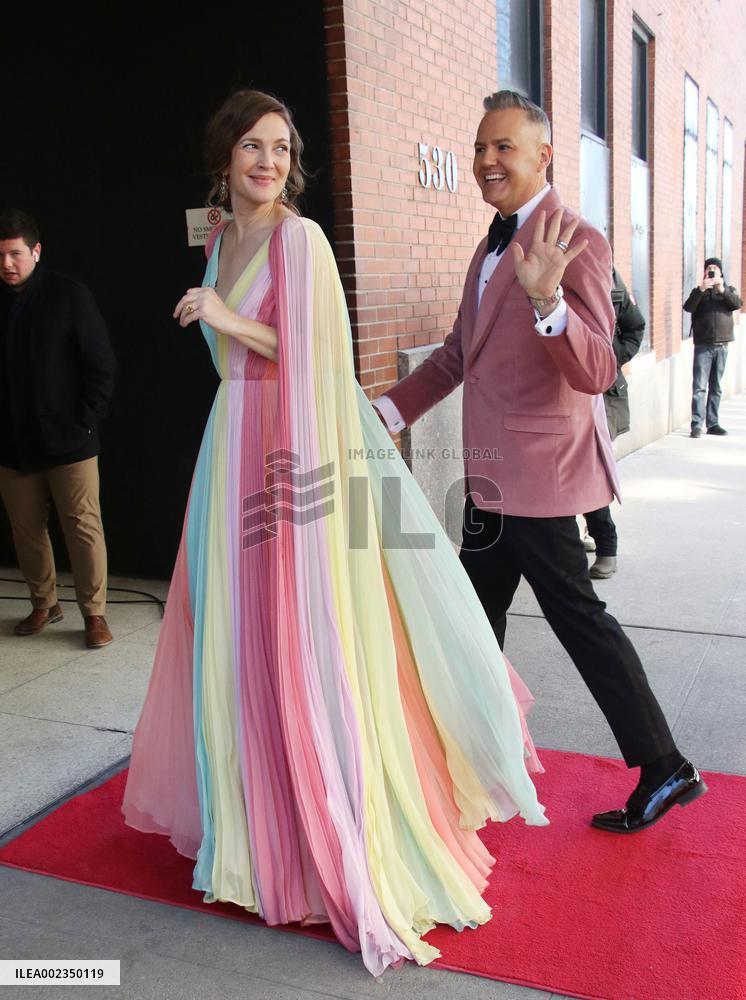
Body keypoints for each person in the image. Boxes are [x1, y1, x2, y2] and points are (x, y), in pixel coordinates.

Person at [122, 90, 548, 978]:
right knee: (234, 645)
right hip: (229, 449)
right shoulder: (219, 239)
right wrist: (220, 310)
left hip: (294, 456)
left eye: (281, 148)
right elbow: (238, 363)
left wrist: (221, 313)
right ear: (224, 156)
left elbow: (311, 355)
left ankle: (327, 831)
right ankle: (249, 832)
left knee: (302, 645)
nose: (268, 162)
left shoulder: (299, 239)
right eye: (251, 146)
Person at [375, 91, 706, 835]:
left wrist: (549, 300)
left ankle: (664, 765)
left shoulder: (576, 240)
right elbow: (461, 356)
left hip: (543, 480)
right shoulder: (487, 246)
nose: (488, 161)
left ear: (543, 155)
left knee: (578, 623)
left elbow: (594, 368)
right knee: (472, 618)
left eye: (505, 148)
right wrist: (385, 415)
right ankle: (474, 755)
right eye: (481, 147)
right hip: (491, 478)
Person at [0, 209, 116, 648]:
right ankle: (44, 604)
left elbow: (101, 367)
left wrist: (84, 421)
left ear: (35, 251)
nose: (7, 264)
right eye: (0, 256)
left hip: (70, 440)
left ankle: (94, 614)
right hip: (12, 442)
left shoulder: (69, 296)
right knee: (26, 529)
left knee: (83, 527)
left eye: (15, 254)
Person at [583, 267, 645, 579]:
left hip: (604, 395)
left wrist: (608, 358)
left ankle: (607, 546)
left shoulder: (610, 279)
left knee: (592, 473)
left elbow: (635, 329)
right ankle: (582, 536)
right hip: (558, 397)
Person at [684, 257, 742, 438]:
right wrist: (702, 289)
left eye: (715, 268)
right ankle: (696, 425)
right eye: (709, 268)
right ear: (704, 271)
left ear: (721, 272)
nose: (712, 271)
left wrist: (722, 289)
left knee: (716, 387)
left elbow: (737, 304)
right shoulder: (699, 292)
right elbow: (688, 307)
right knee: (699, 387)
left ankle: (713, 423)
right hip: (703, 345)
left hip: (722, 345)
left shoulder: (728, 291)